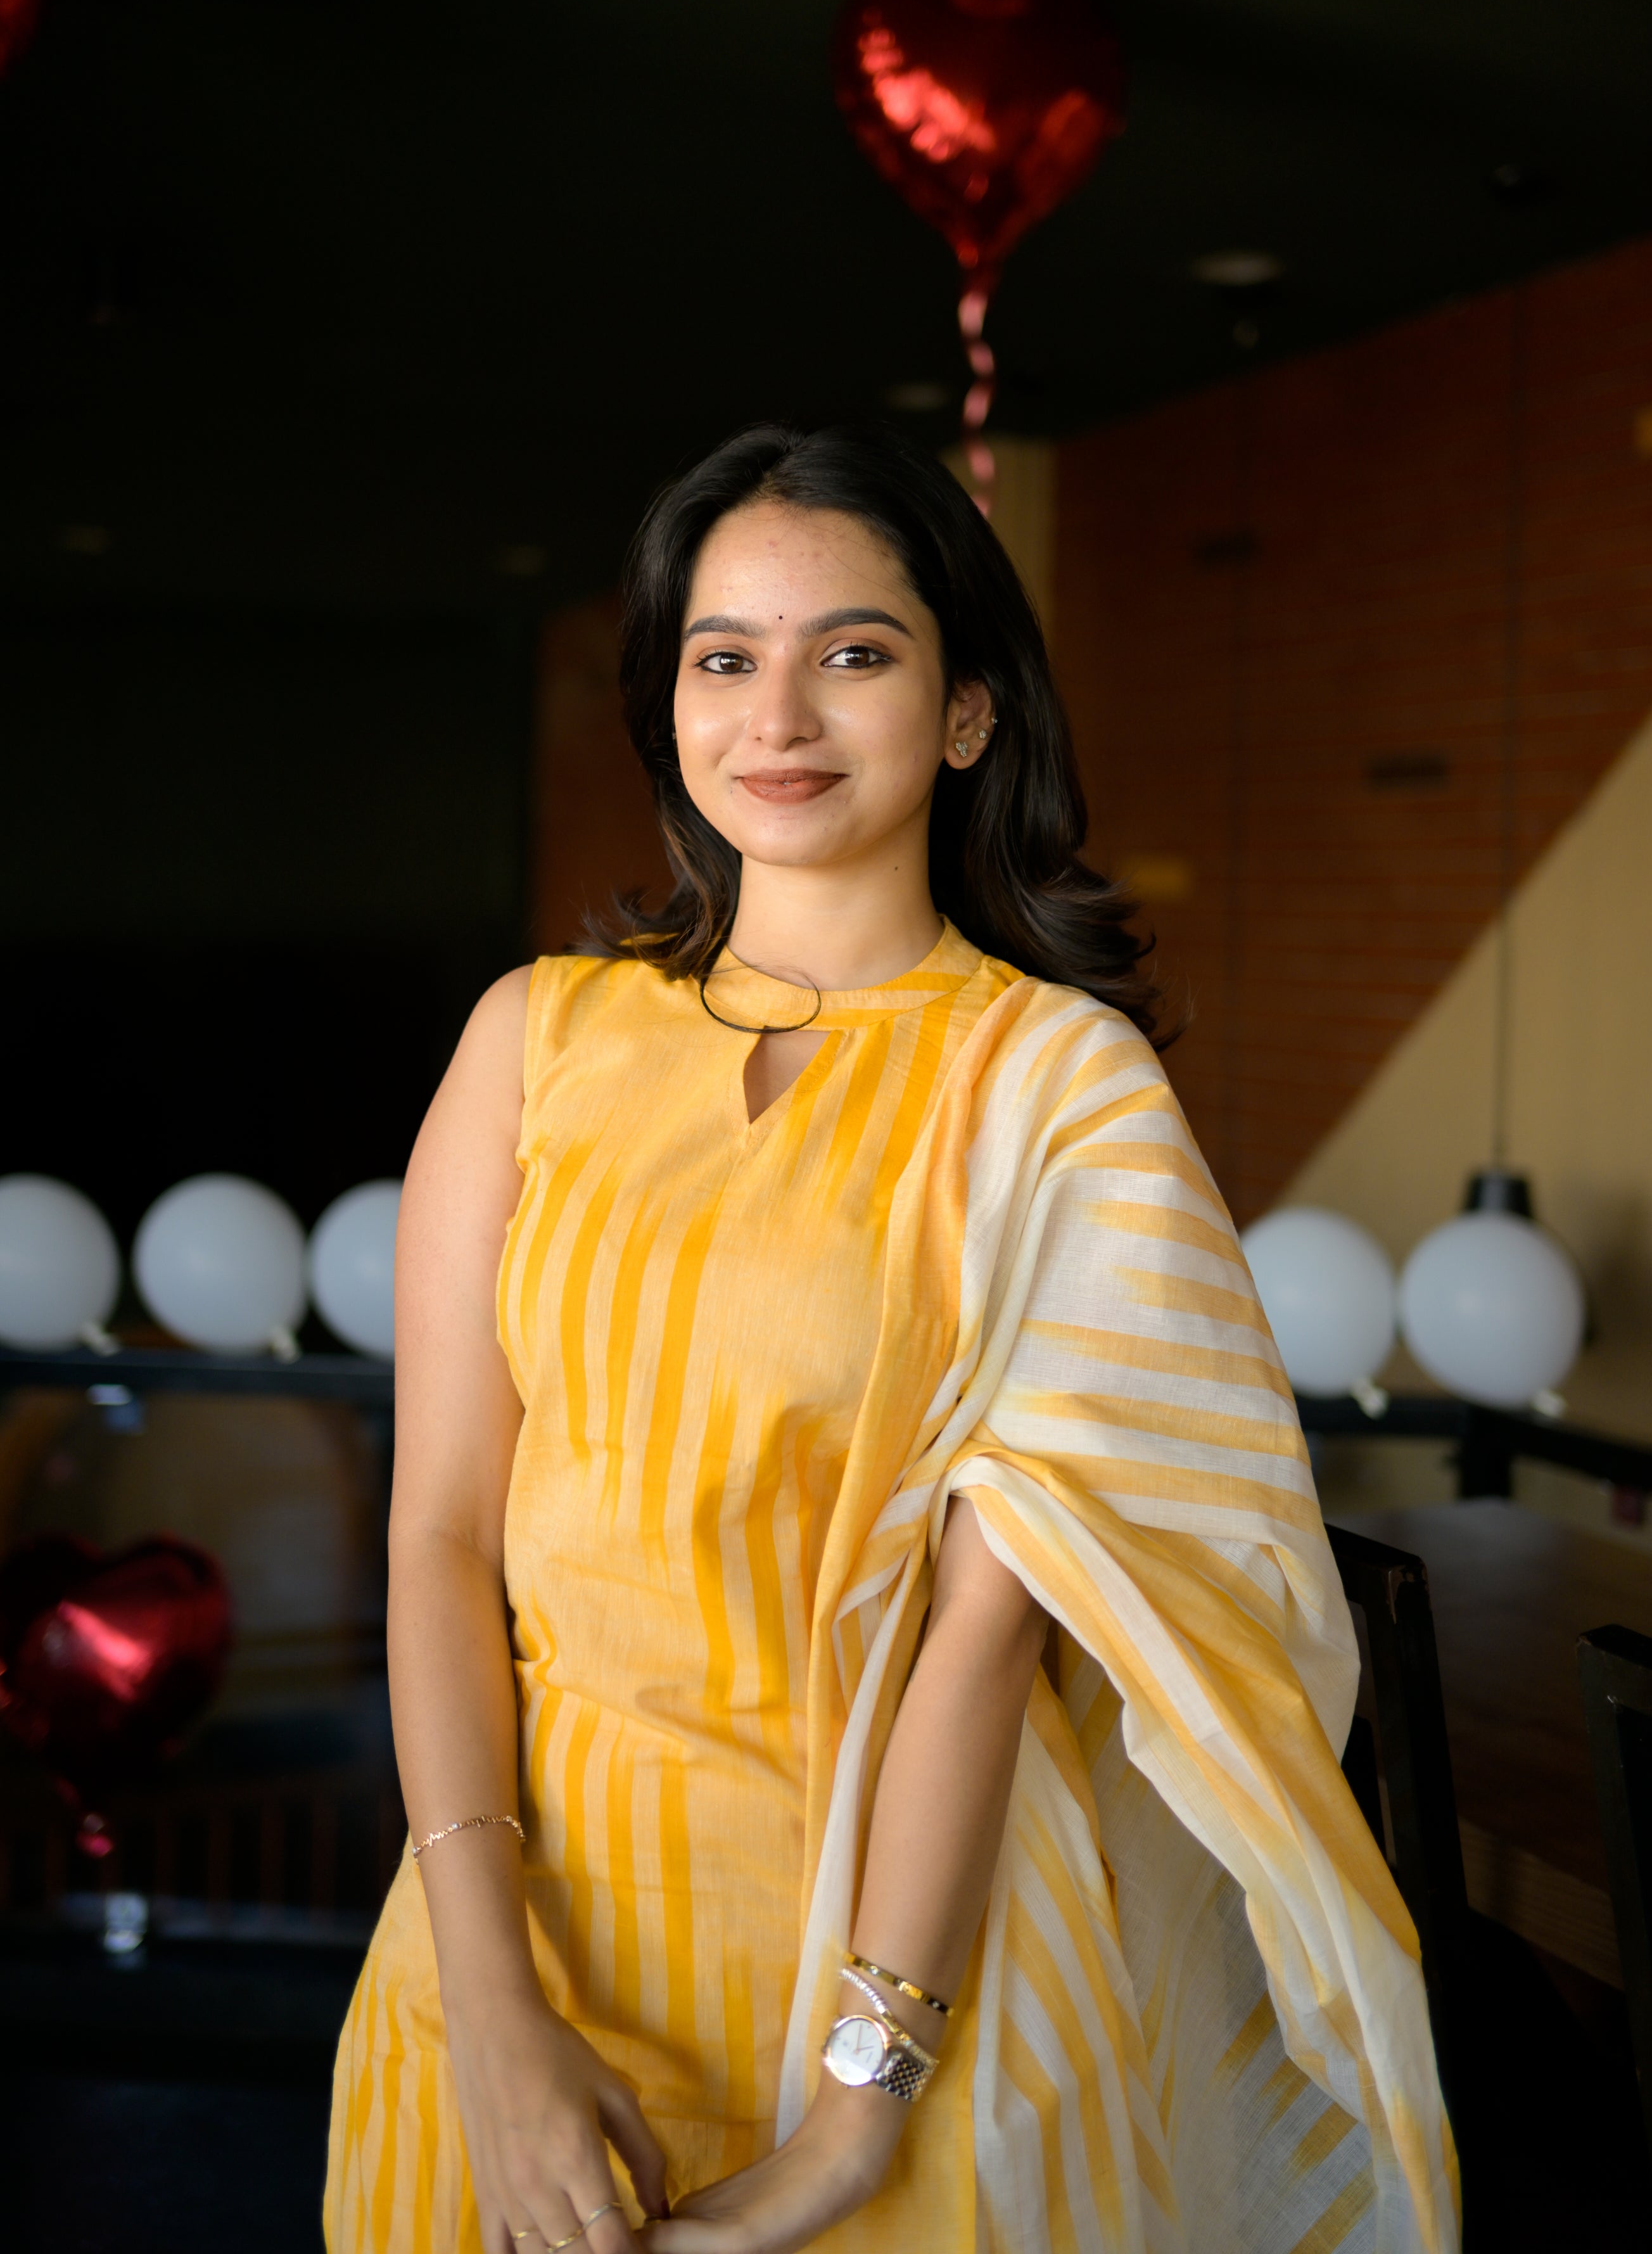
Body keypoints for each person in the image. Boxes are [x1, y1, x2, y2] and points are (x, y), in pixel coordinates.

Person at [325, 424, 1456, 2254]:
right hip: (509, 1960)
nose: (779, 714)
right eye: (724, 658)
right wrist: (495, 2014)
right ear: (671, 705)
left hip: (903, 1999)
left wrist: (853, 2128)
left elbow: (984, 1637)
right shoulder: (532, 1040)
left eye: (853, 652)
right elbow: (441, 1534)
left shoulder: (1057, 1089)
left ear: (965, 714)